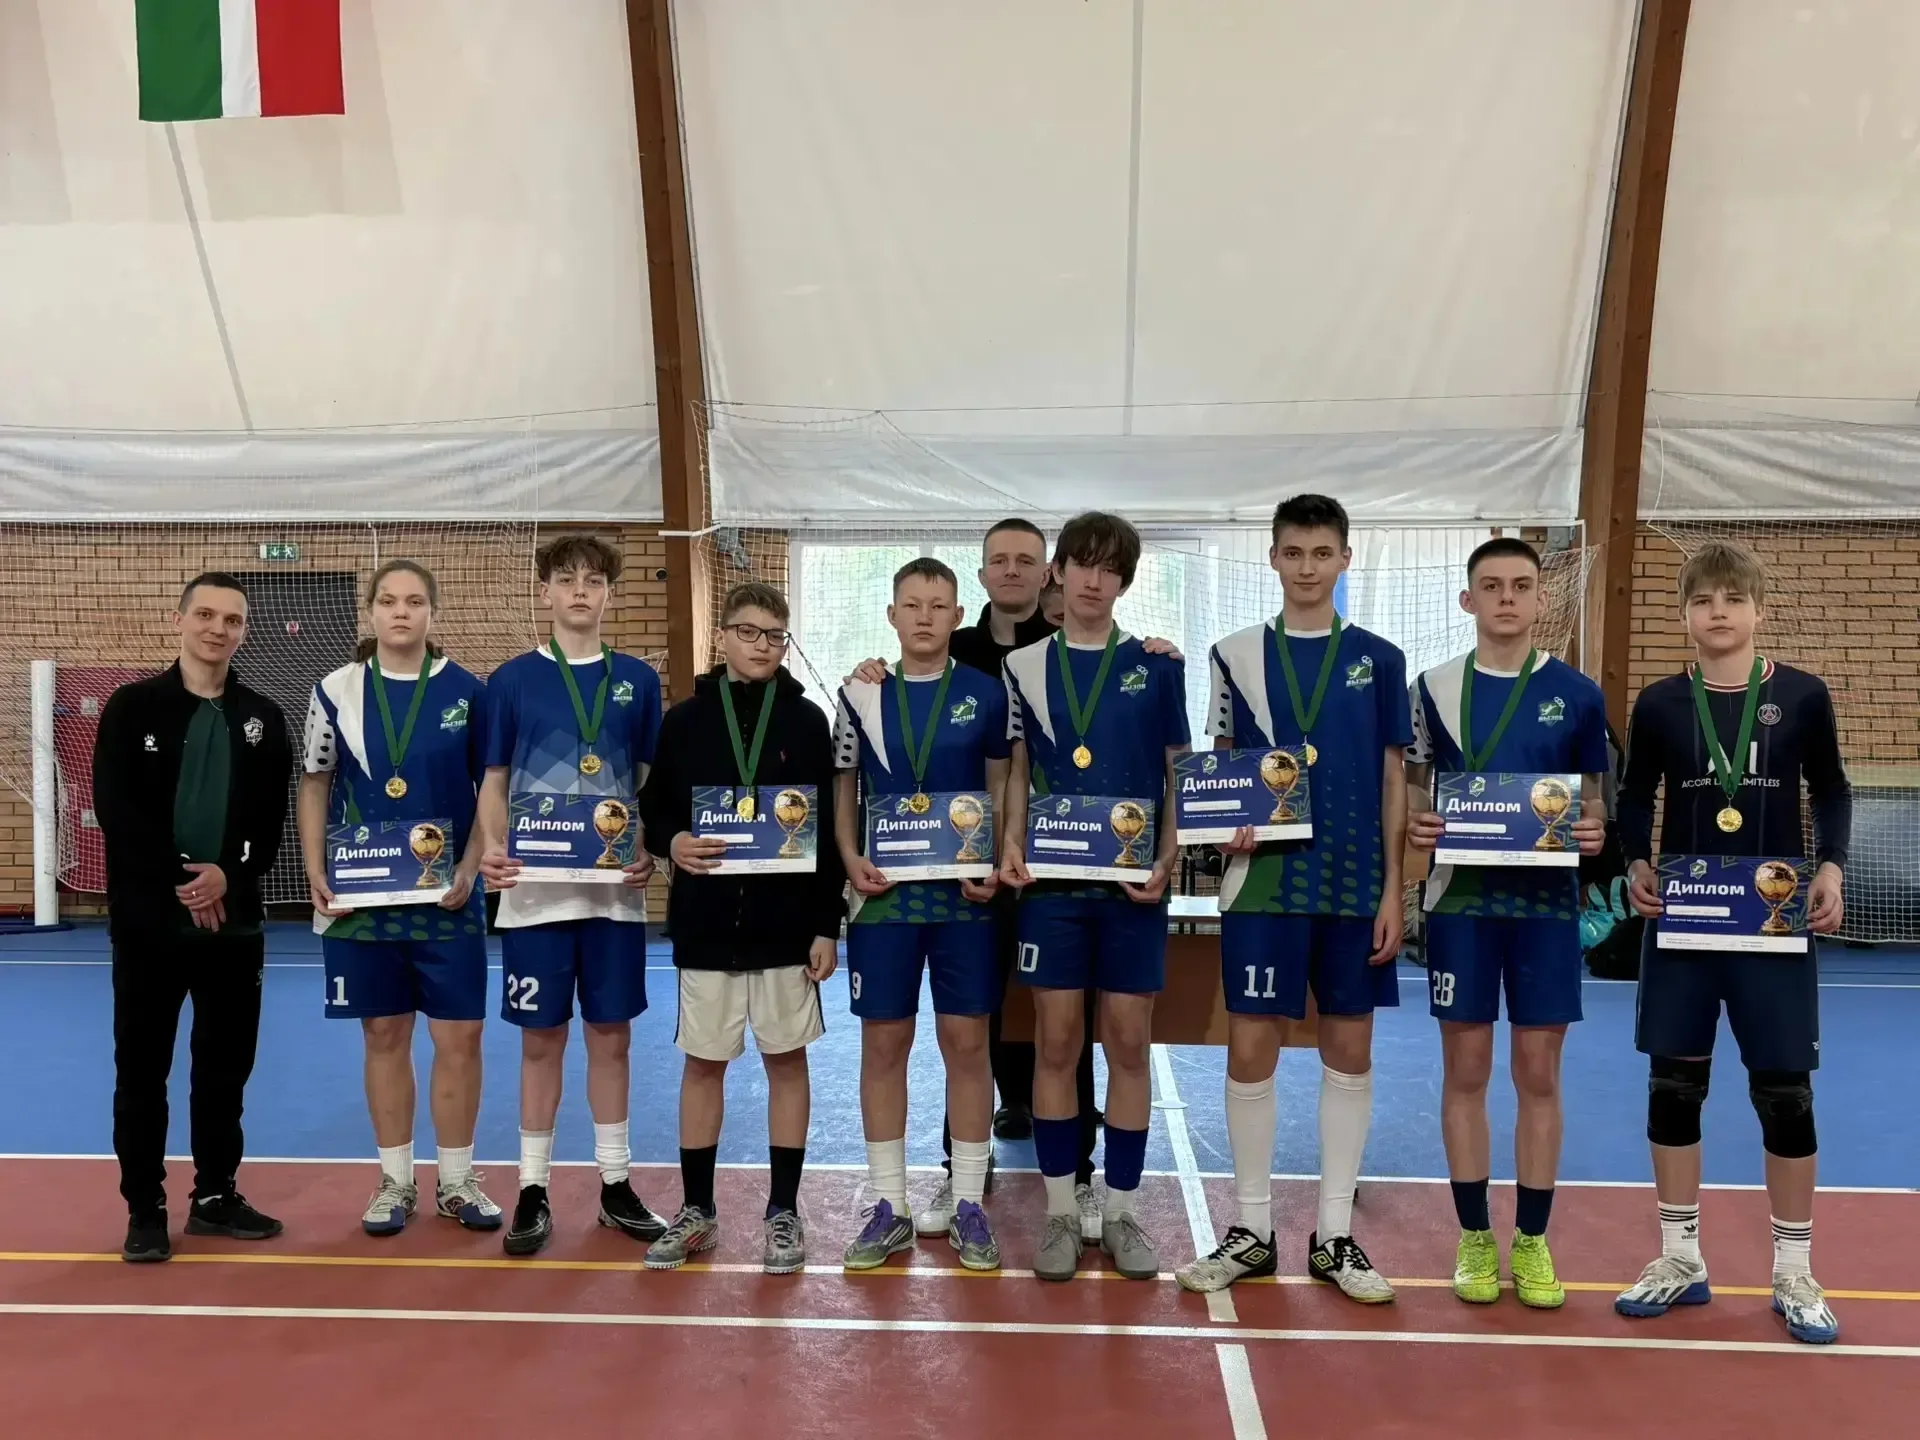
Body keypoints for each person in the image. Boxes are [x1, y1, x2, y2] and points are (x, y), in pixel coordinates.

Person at [1611, 540, 1850, 1344]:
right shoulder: (1659, 703)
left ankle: (1794, 1270)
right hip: (1685, 920)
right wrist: (1636, 862)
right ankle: (1680, 1257)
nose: (1719, 612)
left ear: (1759, 611)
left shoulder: (1803, 695)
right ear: (1684, 614)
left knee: (1785, 1095)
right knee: (1674, 1088)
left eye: (1733, 599)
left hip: (1774, 922)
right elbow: (1635, 793)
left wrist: (1832, 868)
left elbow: (1834, 788)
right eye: (1704, 600)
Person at [1176, 494, 1408, 1302]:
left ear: (1345, 559)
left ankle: (1335, 1236)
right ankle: (1252, 1232)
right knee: (1250, 1049)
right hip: (1264, 884)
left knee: (1350, 1052)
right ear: (1273, 558)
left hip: (1352, 884)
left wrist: (1395, 890)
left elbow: (1393, 779)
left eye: (1322, 552)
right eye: (1294, 552)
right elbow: (1222, 765)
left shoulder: (1381, 659)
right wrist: (1223, 828)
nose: (1308, 567)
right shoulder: (1233, 653)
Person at [1405, 537, 1609, 1309]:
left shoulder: (1578, 693)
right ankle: (1473, 1237)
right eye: (1490, 586)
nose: (1506, 599)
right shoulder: (1433, 687)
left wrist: (1593, 829)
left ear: (1541, 599)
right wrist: (1418, 822)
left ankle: (1531, 1240)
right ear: (1468, 600)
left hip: (1545, 908)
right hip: (1460, 905)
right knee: (1466, 1073)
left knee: (1538, 1075)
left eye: (1521, 586)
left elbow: (1593, 801)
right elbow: (1415, 790)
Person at [1000, 512, 1189, 1282]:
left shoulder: (1158, 666)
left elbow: (1178, 770)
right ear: (1058, 571)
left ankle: (1120, 1212)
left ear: (1124, 582)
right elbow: (1017, 770)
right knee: (1056, 1044)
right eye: (1081, 563)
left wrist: (1169, 856)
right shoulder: (1023, 667)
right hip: (1052, 889)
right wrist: (1010, 842)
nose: (1093, 579)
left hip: (1131, 890)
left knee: (1130, 1044)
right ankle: (1057, 1212)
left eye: (1110, 568)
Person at [637, 581, 845, 1274]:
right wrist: (671, 842)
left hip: (787, 928)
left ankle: (783, 1211)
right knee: (704, 1064)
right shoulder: (684, 721)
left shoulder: (807, 722)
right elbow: (656, 808)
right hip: (706, 925)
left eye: (775, 635)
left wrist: (826, 925)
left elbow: (826, 834)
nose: (762, 645)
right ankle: (697, 1210)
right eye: (749, 632)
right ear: (722, 636)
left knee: (787, 1062)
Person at [94, 572, 293, 1262]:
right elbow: (119, 814)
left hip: (234, 931)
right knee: (141, 1072)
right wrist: (188, 882)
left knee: (223, 1072)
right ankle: (144, 1209)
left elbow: (268, 825)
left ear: (244, 632)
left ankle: (215, 1196)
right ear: (178, 620)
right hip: (150, 928)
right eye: (205, 614)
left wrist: (227, 877)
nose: (218, 629)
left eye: (232, 620)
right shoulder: (132, 707)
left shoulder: (264, 717)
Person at [298, 560, 499, 1235]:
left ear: (432, 613)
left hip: (448, 897)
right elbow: (315, 782)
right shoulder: (334, 690)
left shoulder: (469, 692)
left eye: (414, 601)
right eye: (388, 601)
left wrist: (470, 867)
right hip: (363, 897)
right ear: (371, 612)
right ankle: (394, 1181)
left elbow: (491, 791)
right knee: (384, 1033)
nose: (401, 612)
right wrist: (314, 869)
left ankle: (458, 1180)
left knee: (459, 1036)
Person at [477, 535, 664, 1256]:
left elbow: (646, 783)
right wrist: (492, 848)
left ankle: (616, 1185)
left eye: (592, 580)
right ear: (545, 592)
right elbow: (494, 779)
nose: (580, 590)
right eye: (566, 579)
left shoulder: (637, 681)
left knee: (612, 1039)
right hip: (535, 894)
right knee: (541, 1042)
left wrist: (647, 844)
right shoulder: (511, 680)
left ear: (609, 592)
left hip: (612, 895)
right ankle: (532, 1189)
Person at [834, 558, 1010, 1272]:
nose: (926, 617)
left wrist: (994, 859)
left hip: (964, 901)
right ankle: (889, 1206)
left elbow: (1003, 783)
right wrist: (849, 857)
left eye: (939, 605)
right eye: (912, 604)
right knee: (884, 1047)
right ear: (892, 615)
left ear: (958, 617)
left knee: (967, 1046)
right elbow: (844, 784)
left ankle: (968, 1203)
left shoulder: (987, 693)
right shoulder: (860, 692)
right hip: (884, 899)